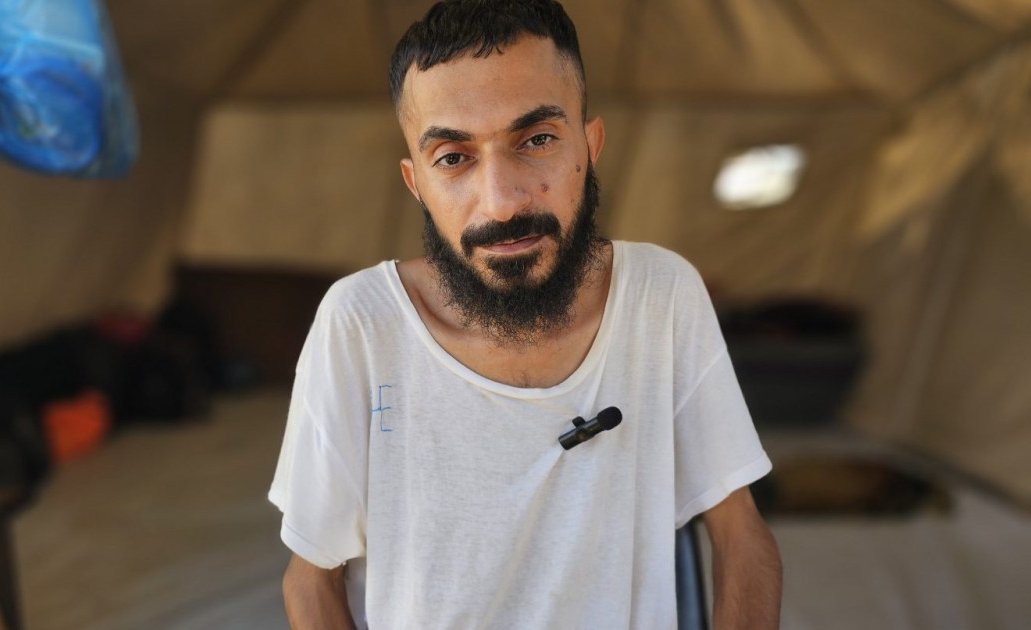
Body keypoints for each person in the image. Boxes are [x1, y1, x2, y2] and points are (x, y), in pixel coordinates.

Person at [269, 1, 781, 627]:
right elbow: (311, 580)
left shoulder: (661, 296)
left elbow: (740, 534)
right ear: (416, 182)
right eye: (453, 157)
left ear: (590, 145)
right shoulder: (361, 324)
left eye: (536, 140)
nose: (502, 202)